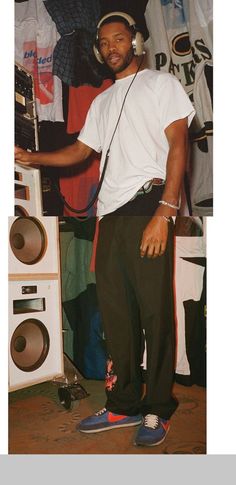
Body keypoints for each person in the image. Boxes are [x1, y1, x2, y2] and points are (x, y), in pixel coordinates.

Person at [15, 11, 195, 447]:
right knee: (117, 318)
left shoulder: (161, 85)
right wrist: (30, 157)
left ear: (135, 42)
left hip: (150, 205)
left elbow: (177, 145)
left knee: (154, 312)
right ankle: (123, 404)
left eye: (120, 39)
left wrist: (165, 211)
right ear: (99, 50)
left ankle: (157, 409)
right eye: (105, 42)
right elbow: (79, 151)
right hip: (110, 215)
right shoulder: (101, 101)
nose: (112, 47)